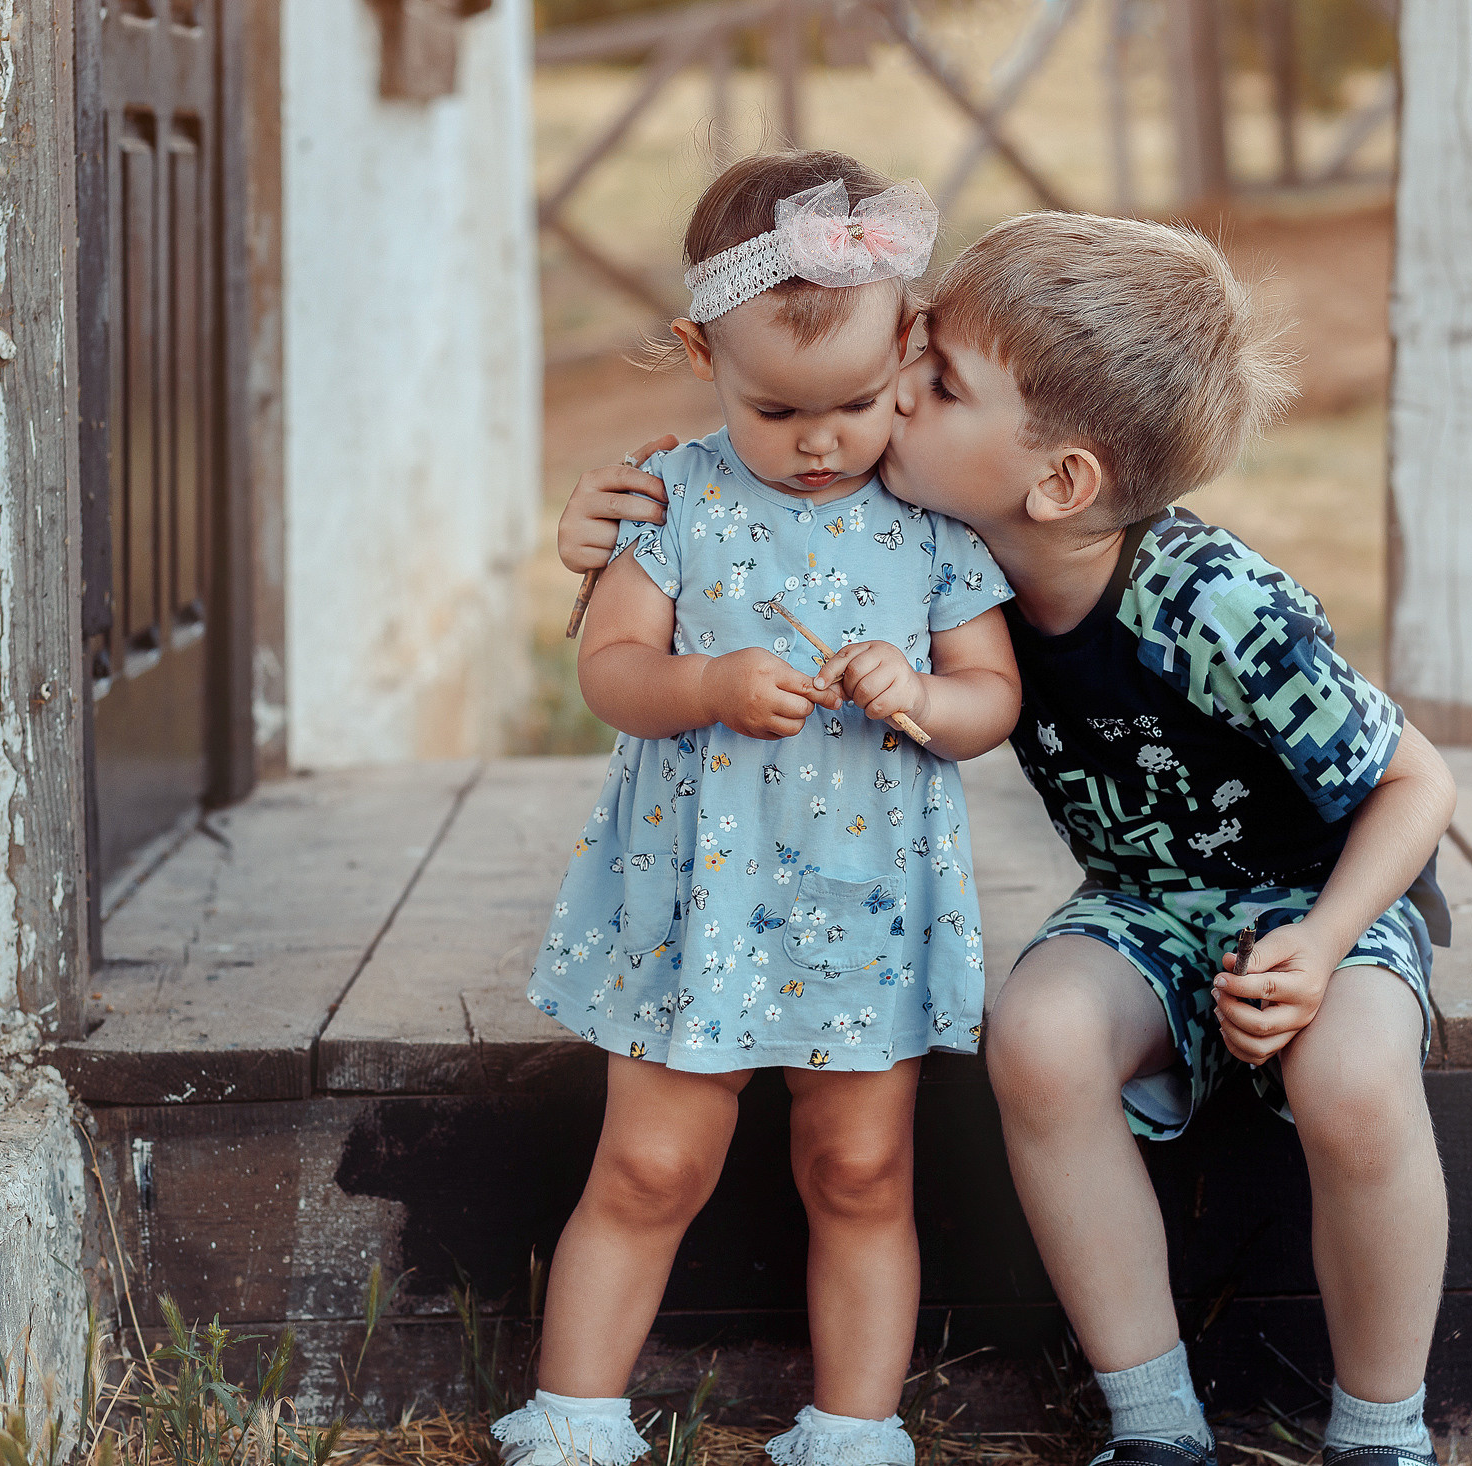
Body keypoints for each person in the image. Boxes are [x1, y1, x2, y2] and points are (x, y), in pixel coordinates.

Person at [560, 210, 1456, 1466]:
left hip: (1324, 900)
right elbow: (752, 465)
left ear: (1059, 482)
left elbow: (1415, 783)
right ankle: (1154, 1425)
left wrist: (1320, 940)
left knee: (1353, 1075)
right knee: (1034, 1032)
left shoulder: (1211, 601)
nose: (892, 402)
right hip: (1143, 901)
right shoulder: (957, 536)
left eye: (931, 380)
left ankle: (1380, 1429)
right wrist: (603, 519)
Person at [498, 150, 1021, 1466]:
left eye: (852, 402)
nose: (819, 441)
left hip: (864, 907)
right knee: (651, 1167)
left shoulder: (930, 518)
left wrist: (919, 692)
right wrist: (705, 682)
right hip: (700, 900)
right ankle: (575, 1418)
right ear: (699, 351)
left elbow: (992, 698)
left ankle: (851, 1428)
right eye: (775, 408)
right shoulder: (674, 500)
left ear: (908, 346)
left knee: (860, 1171)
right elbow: (610, 672)